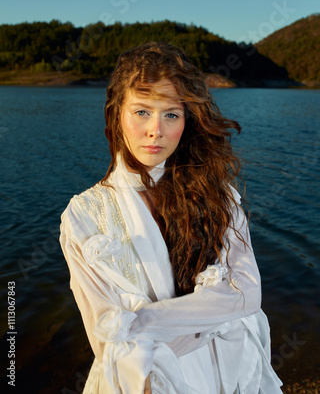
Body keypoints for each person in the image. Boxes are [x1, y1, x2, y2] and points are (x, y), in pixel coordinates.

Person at [60, 41, 283, 394]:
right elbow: (110, 341)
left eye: (171, 114)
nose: (155, 131)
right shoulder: (85, 215)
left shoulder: (218, 196)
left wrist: (144, 320)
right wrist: (210, 313)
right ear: (117, 113)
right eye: (142, 111)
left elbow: (247, 296)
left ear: (187, 121)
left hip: (224, 374)